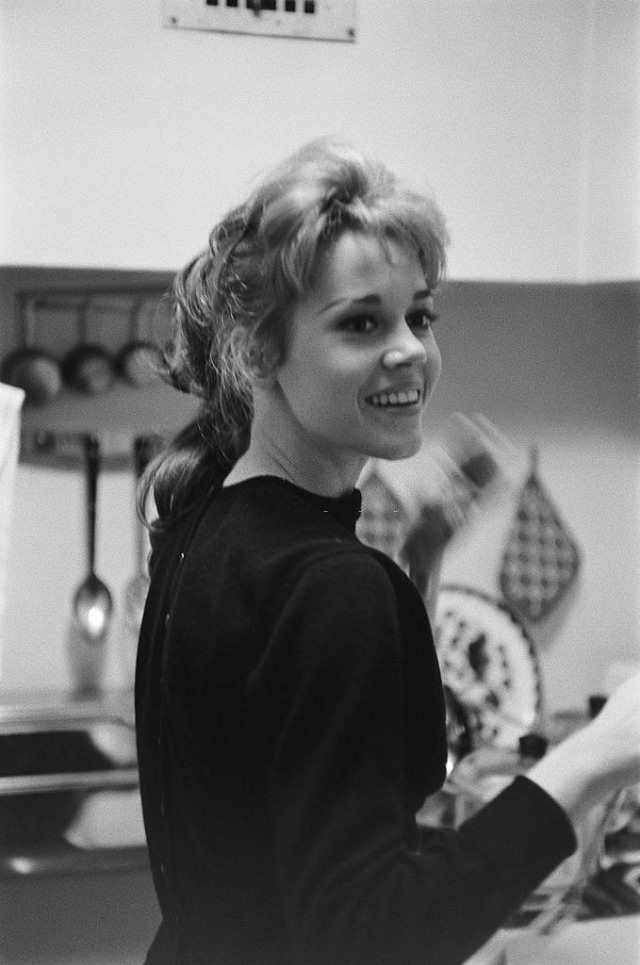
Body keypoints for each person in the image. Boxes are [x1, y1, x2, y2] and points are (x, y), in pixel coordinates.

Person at [135, 139, 640, 965]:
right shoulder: (331, 584)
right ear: (261, 350)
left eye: (421, 314)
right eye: (362, 322)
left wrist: (421, 560)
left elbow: (305, 729)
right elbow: (373, 937)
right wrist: (595, 757)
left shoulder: (201, 523)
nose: (409, 347)